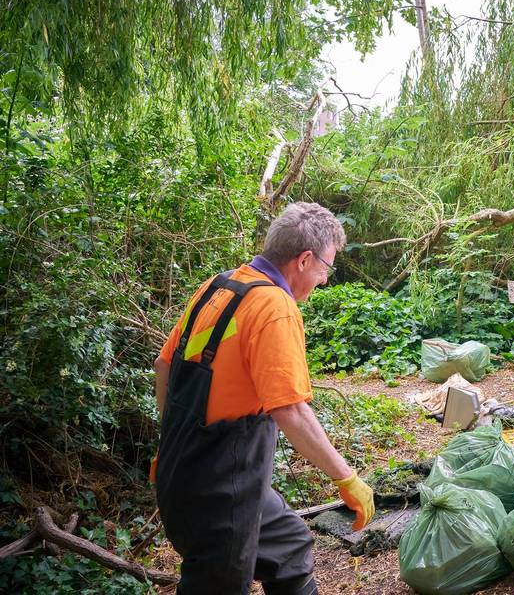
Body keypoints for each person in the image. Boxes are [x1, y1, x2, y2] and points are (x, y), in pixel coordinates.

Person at [152, 202, 374, 594]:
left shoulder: (218, 287)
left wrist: (170, 444)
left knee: (288, 547)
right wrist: (347, 477)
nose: (324, 279)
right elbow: (289, 409)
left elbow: (163, 367)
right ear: (304, 260)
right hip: (220, 491)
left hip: (183, 472)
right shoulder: (274, 307)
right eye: (327, 268)